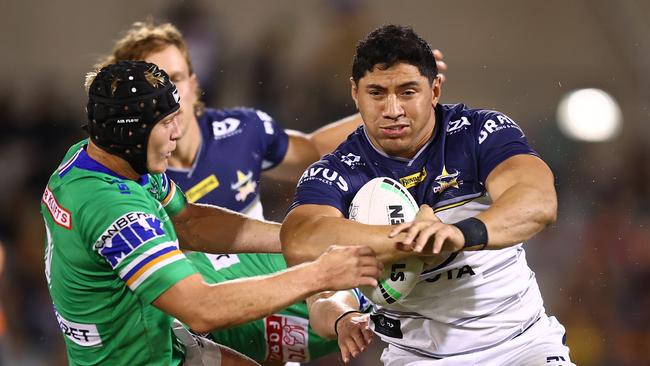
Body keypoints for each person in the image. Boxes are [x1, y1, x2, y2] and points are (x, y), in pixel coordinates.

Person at [96, 21, 447, 365]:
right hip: (204, 321)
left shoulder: (240, 132)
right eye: (155, 84)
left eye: (175, 80)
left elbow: (310, 150)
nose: (168, 98)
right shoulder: (129, 175)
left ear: (193, 82)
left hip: (281, 295)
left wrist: (392, 95)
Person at [40, 60, 383, 366]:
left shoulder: (100, 159)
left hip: (157, 341)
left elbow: (191, 222)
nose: (179, 132)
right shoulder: (113, 209)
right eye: (166, 123)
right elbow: (202, 308)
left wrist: (294, 238)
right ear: (130, 131)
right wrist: (320, 274)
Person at [281, 25, 574, 365]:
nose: (392, 109)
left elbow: (538, 201)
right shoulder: (338, 169)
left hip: (522, 345)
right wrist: (409, 240)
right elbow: (300, 239)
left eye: (407, 92)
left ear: (434, 90)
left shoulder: (479, 132)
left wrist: (458, 233)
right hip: (417, 357)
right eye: (376, 93)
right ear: (355, 94)